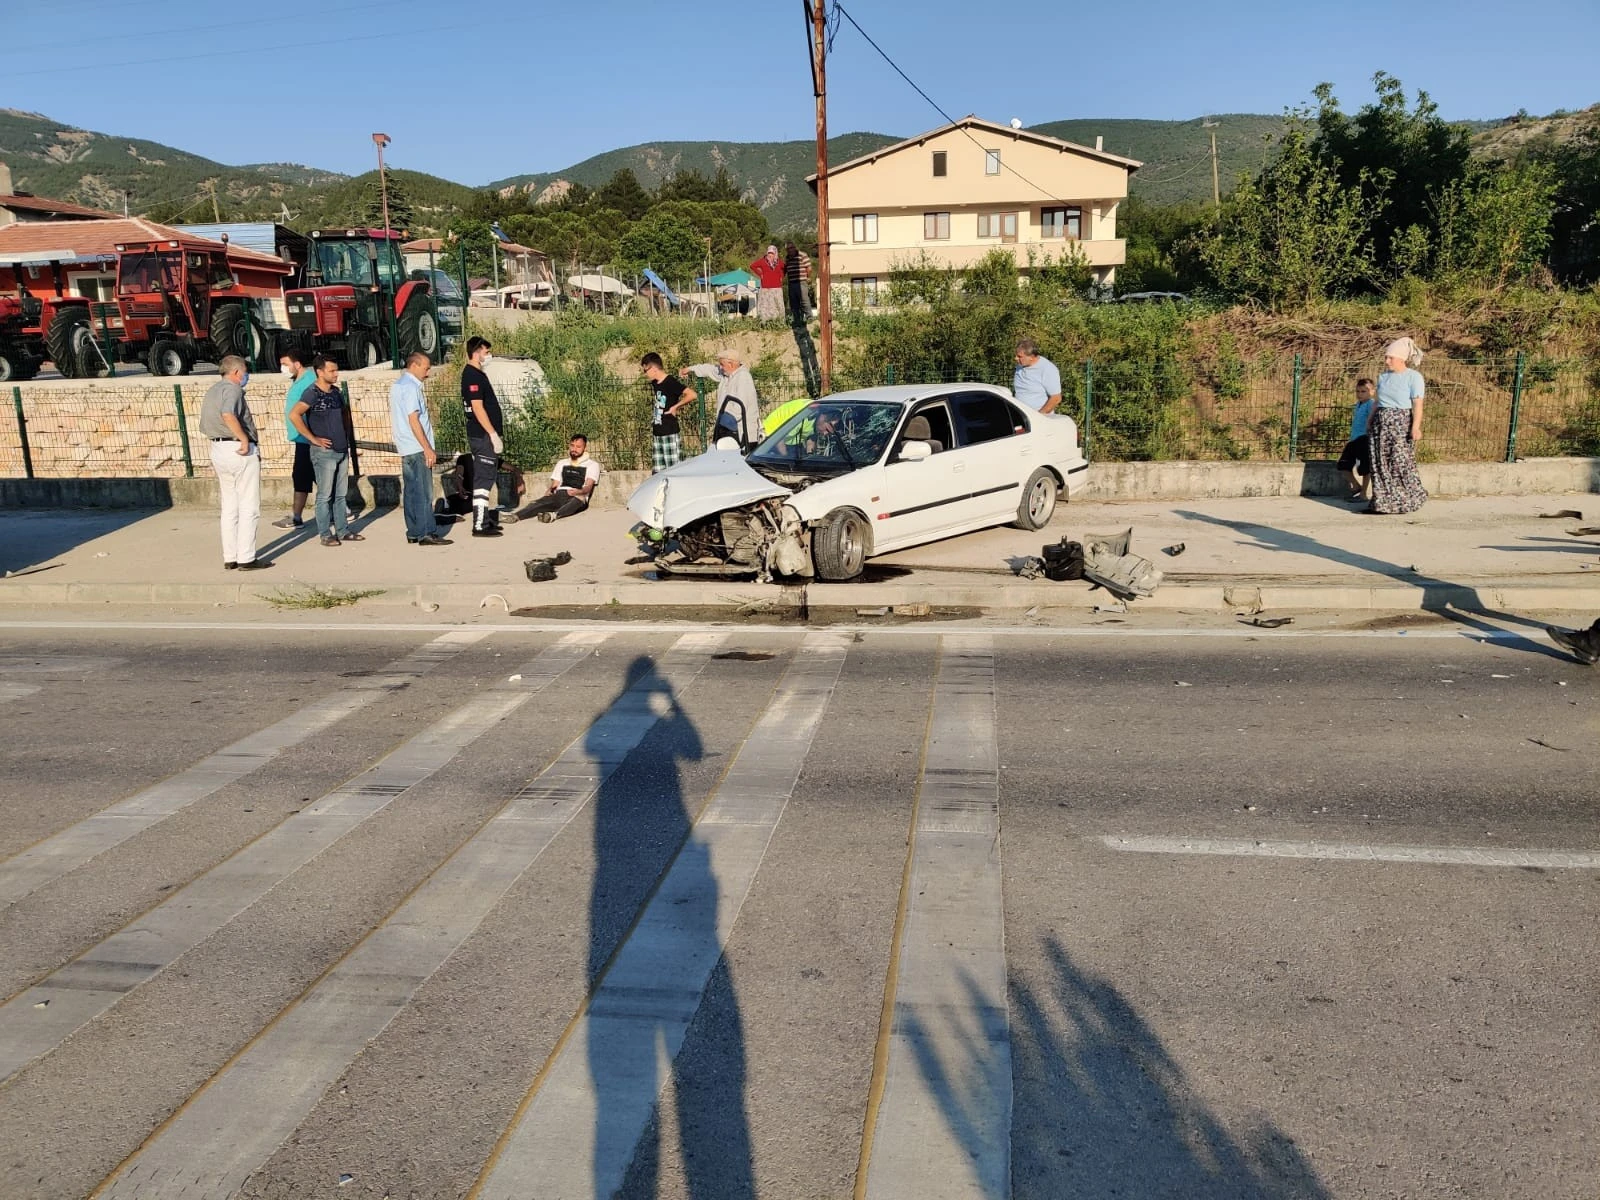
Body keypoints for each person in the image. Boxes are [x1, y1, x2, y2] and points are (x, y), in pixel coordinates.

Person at [198, 354, 271, 571]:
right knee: (249, 505)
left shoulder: (213, 390)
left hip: (218, 448)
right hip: (238, 449)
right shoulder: (233, 389)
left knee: (229, 505)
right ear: (237, 372)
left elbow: (205, 422)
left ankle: (230, 555)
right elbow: (228, 414)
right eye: (245, 371)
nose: (246, 375)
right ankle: (247, 557)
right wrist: (244, 438)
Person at [289, 354, 364, 546]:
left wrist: (346, 437)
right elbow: (294, 415)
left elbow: (345, 414)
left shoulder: (336, 393)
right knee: (324, 495)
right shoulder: (311, 393)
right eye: (331, 370)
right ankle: (325, 534)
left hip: (341, 450)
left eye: (336, 370)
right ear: (319, 372)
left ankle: (343, 530)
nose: (336, 374)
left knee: (340, 495)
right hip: (324, 453)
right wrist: (313, 439)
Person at [390, 351, 451, 546]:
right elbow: (413, 419)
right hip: (417, 446)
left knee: (411, 489)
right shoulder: (410, 387)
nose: (428, 372)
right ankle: (427, 532)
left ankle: (414, 530)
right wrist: (427, 448)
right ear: (414, 365)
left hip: (406, 446)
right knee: (424, 491)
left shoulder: (398, 385)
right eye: (426, 368)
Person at [1366, 337, 1428, 515]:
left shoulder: (1413, 377)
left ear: (1401, 359)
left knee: (1399, 461)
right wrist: (1370, 419)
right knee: (1379, 462)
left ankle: (1408, 498)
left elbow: (1417, 404)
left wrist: (1415, 427)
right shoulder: (1383, 377)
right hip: (1381, 422)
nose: (1387, 361)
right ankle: (1382, 502)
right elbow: (1378, 401)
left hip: (1400, 422)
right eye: (1386, 357)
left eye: (1390, 358)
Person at [461, 336, 504, 537]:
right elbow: (477, 407)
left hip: (483, 435)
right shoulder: (472, 375)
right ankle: (479, 524)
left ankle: (484, 520)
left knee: (486, 478)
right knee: (483, 480)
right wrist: (493, 434)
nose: (488, 356)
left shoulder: (478, 374)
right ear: (477, 352)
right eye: (486, 352)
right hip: (482, 436)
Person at [270, 346, 315, 530]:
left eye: (285, 364)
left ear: (297, 364)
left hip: (309, 438)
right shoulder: (299, 380)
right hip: (302, 438)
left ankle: (341, 510)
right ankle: (296, 516)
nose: (283, 368)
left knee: (310, 476)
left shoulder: (309, 381)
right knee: (303, 477)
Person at [508, 434, 601, 523]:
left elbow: (588, 486)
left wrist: (578, 491)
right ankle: (515, 516)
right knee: (538, 503)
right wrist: (550, 491)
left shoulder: (592, 465)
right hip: (560, 494)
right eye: (572, 446)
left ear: (585, 448)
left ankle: (553, 515)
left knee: (580, 498)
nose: (574, 449)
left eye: (578, 447)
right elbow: (555, 484)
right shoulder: (562, 463)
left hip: (577, 496)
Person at [681, 350, 762, 448]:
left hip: (743, 436)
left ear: (731, 364)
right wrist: (690, 369)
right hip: (730, 432)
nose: (720, 367)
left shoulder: (743, 378)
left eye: (721, 364)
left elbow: (738, 409)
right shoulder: (727, 373)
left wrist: (721, 424)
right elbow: (710, 369)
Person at [641, 352, 693, 471]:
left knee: (674, 470)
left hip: (669, 432)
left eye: (646, 370)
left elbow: (691, 394)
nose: (645, 374)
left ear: (654, 368)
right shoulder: (655, 383)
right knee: (658, 472)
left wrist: (676, 407)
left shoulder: (670, 382)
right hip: (657, 432)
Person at [1337, 377, 1376, 502]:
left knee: (1365, 467)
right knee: (1343, 465)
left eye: (1363, 391)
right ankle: (1356, 486)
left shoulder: (1371, 404)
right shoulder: (1359, 404)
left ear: (1372, 392)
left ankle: (1363, 493)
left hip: (1364, 439)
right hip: (1354, 439)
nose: (1360, 394)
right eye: (1358, 391)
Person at [1013, 338, 1062, 414]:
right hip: (1019, 416)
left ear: (1032, 357)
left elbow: (1056, 398)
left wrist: (1039, 416)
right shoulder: (1021, 365)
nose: (1015, 358)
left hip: (1037, 419)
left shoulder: (1047, 369)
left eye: (1019, 356)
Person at [749, 244, 784, 320]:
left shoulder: (779, 262)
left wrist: (781, 276)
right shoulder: (763, 261)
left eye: (772, 253)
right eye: (769, 253)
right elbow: (752, 266)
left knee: (776, 305)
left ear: (775, 254)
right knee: (766, 306)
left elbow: (785, 268)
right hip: (766, 288)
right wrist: (760, 274)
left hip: (777, 288)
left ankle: (778, 320)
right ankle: (765, 321)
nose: (770, 255)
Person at [783, 241, 812, 321]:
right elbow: (785, 269)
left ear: (795, 247)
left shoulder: (802, 255)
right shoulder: (787, 258)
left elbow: (809, 267)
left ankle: (809, 318)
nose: (790, 250)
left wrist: (808, 277)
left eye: (792, 248)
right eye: (788, 249)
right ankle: (797, 320)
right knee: (793, 302)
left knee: (804, 300)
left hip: (801, 281)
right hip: (791, 283)